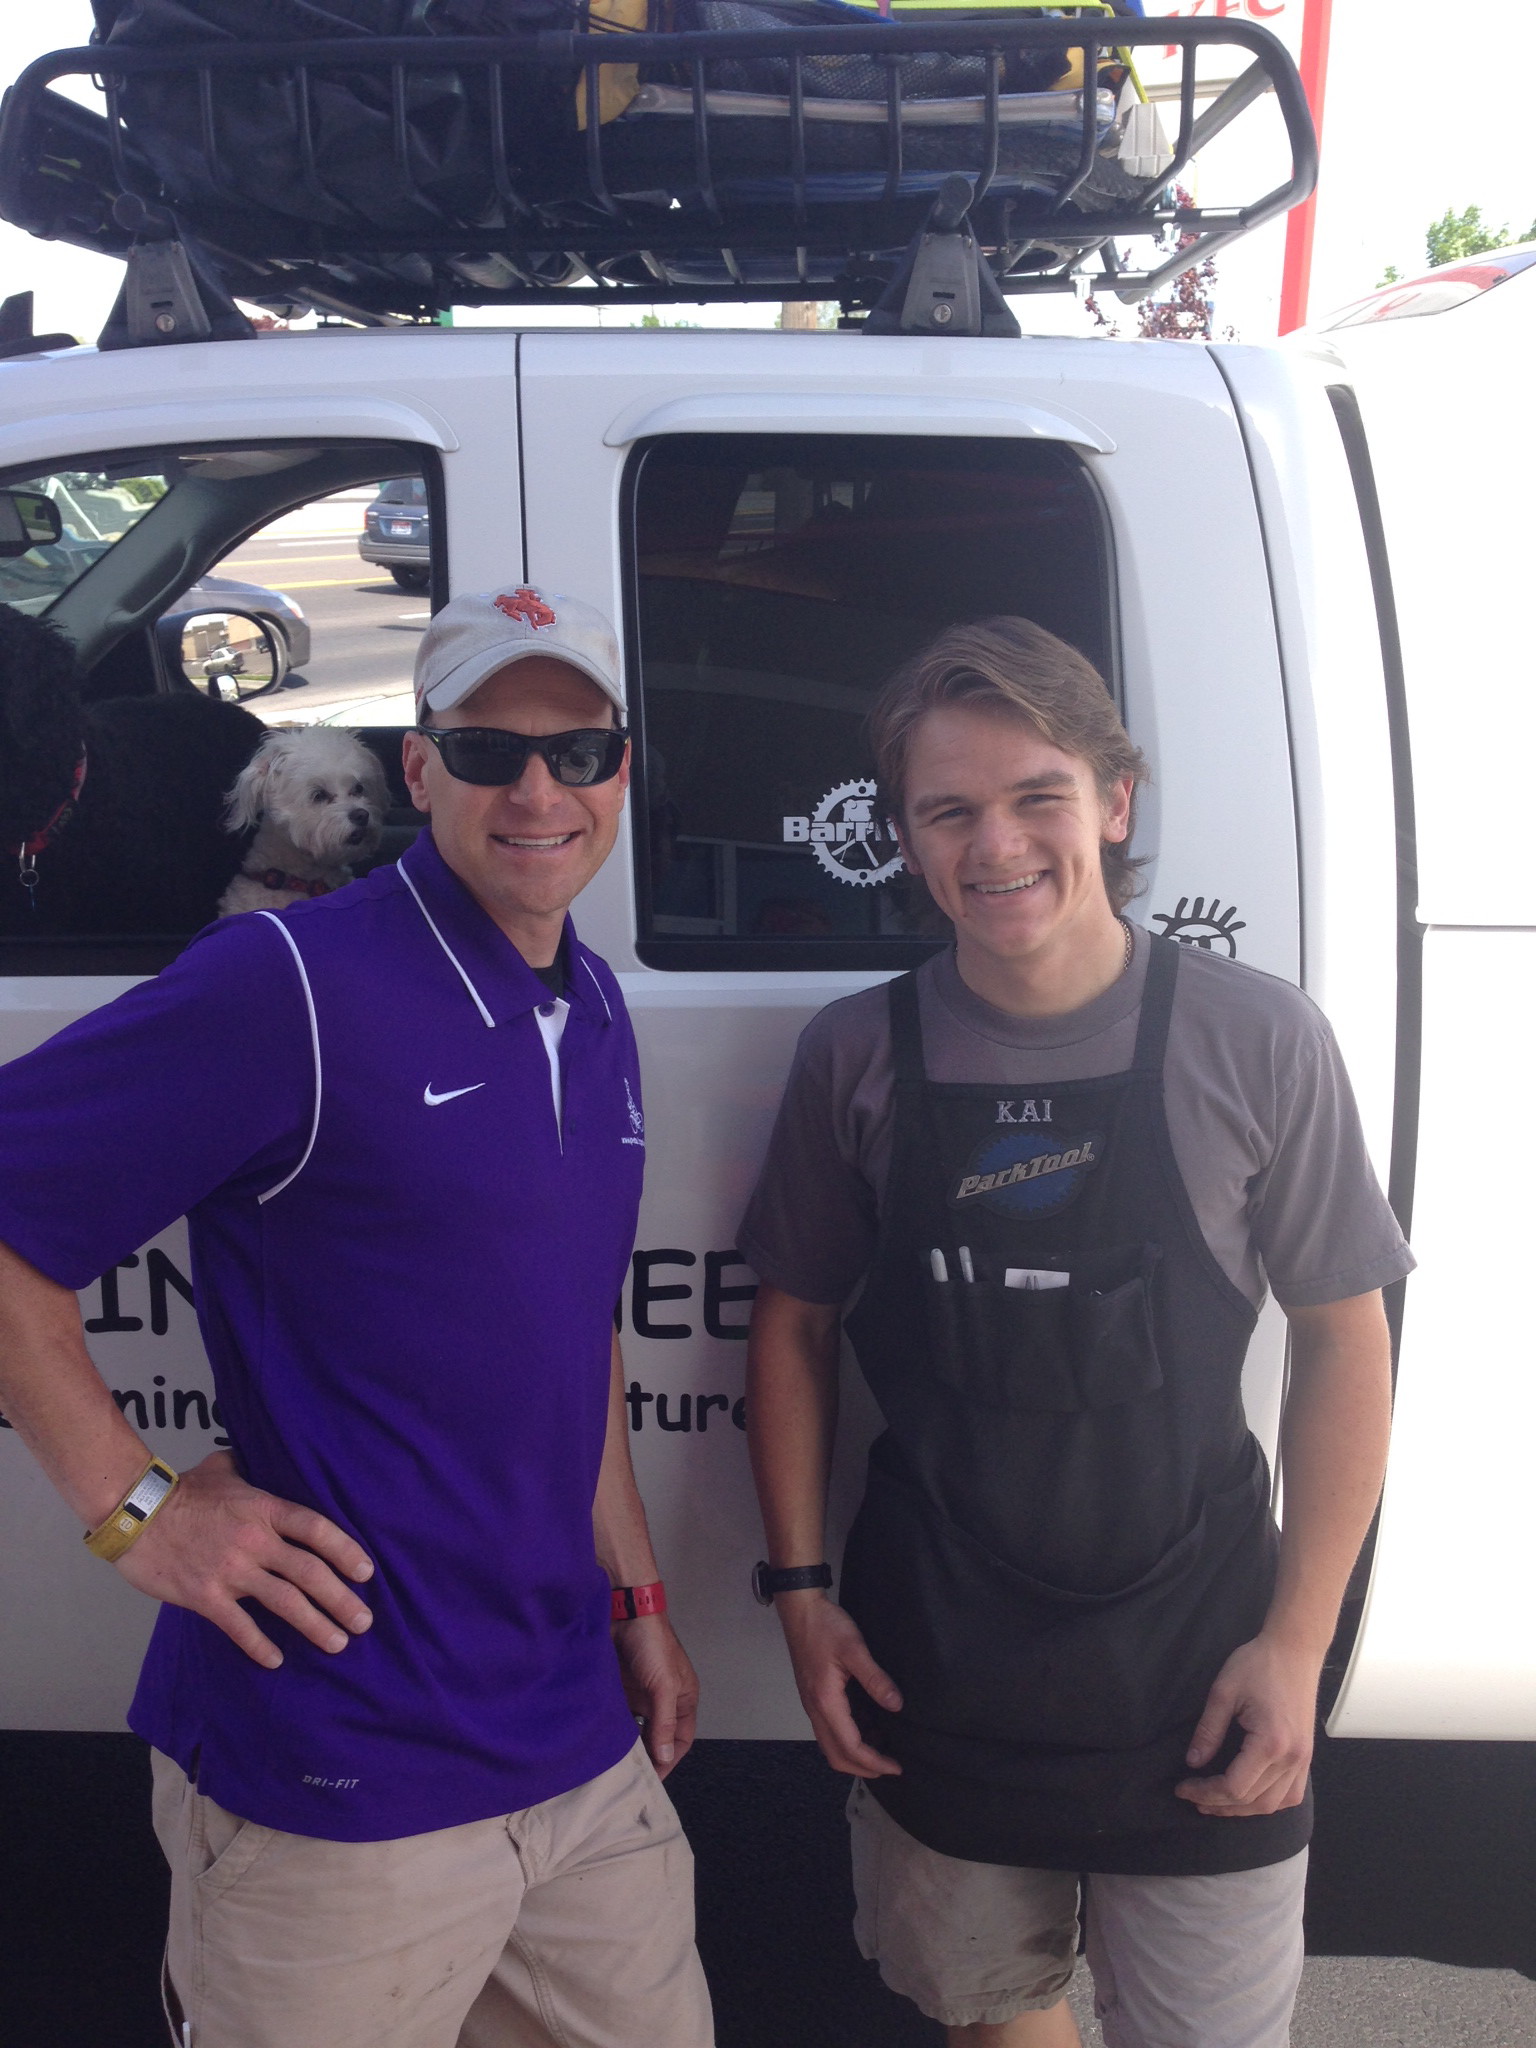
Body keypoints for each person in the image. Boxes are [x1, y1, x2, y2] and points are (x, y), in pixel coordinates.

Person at [0, 589, 713, 2048]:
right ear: (420, 769)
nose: (539, 792)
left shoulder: (592, 1002)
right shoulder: (289, 983)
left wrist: (637, 1599)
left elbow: (571, 1331)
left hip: (574, 1740)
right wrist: (136, 1511)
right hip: (337, 1769)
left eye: (578, 754)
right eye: (489, 751)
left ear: (622, 772)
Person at [740, 616, 1410, 2048]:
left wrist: (1297, 1647)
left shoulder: (1259, 1039)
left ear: (1115, 800)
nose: (997, 845)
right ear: (904, 837)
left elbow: (1345, 1341)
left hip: (1205, 1671)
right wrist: (800, 1594)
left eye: (1038, 795)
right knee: (998, 2021)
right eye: (949, 811)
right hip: (937, 1667)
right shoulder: (854, 1055)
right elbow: (790, 1328)